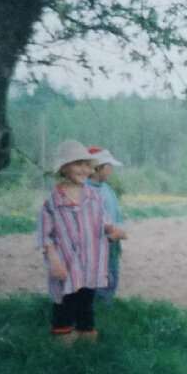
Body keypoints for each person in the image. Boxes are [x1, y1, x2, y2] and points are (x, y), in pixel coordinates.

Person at [37, 140, 110, 344]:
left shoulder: (95, 196)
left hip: (89, 262)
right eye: (78, 164)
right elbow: (44, 235)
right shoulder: (52, 202)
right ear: (63, 168)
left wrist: (112, 230)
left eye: (88, 165)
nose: (84, 169)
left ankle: (86, 335)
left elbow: (102, 222)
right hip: (65, 263)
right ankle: (63, 338)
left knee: (86, 299)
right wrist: (54, 260)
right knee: (65, 301)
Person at [85, 146, 129, 303]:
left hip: (111, 247)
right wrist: (110, 234)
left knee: (111, 279)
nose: (111, 169)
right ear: (98, 167)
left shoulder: (108, 190)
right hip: (95, 250)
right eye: (108, 166)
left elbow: (116, 216)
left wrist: (118, 230)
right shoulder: (85, 191)